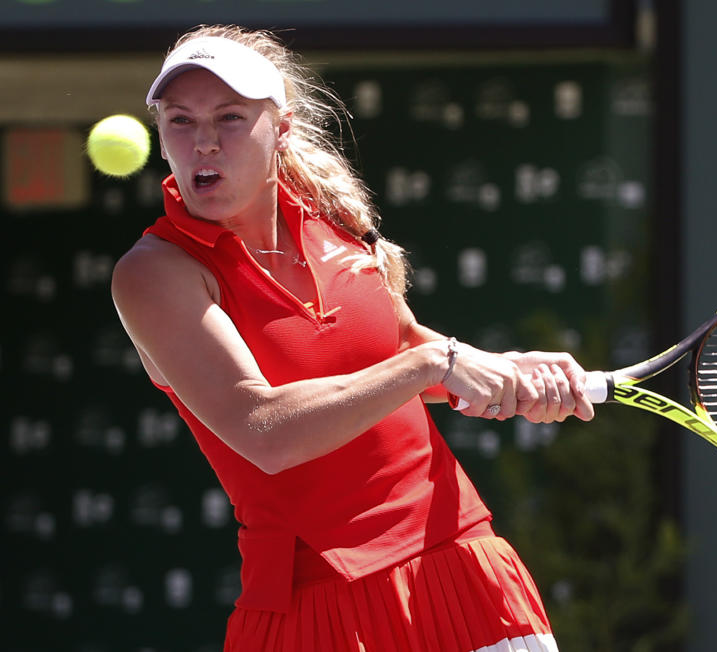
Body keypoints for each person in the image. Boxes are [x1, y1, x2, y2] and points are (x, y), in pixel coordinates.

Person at [111, 24, 595, 652]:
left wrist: (505, 371)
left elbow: (401, 352)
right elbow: (266, 429)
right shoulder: (153, 273)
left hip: (462, 572)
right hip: (315, 609)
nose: (203, 141)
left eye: (230, 117)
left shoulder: (334, 222)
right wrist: (434, 364)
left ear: (280, 127)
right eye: (180, 120)